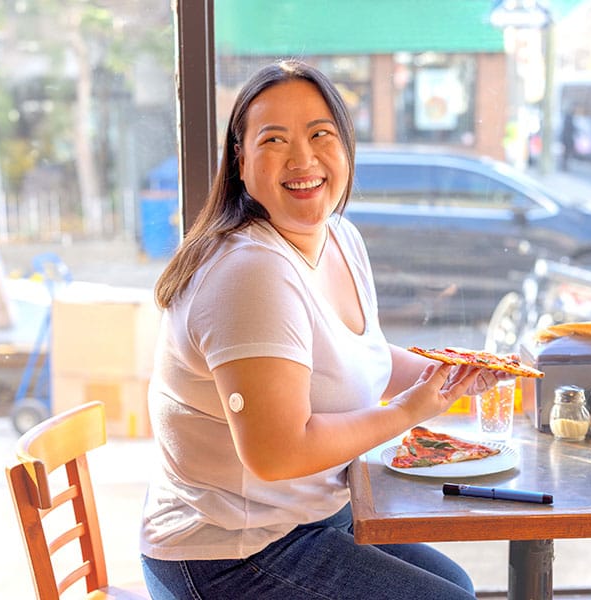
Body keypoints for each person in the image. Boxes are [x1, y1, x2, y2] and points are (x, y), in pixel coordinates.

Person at [139, 59, 509, 600]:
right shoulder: (250, 272)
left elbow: (359, 357)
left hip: (306, 517)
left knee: (455, 583)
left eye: (320, 135)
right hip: (228, 552)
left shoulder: (339, 237)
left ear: (346, 147)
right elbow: (277, 454)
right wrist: (409, 411)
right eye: (274, 140)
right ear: (240, 162)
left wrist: (447, 374)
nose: (302, 159)